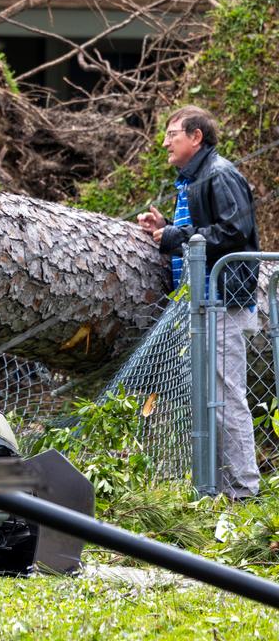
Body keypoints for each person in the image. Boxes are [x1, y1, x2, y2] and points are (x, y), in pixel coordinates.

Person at [136, 105, 260, 498]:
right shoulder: (192, 179)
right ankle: (219, 492)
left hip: (222, 302)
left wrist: (176, 237)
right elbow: (201, 231)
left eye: (173, 134)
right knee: (208, 402)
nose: (165, 142)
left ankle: (244, 492)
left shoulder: (219, 174)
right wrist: (166, 229)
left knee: (225, 399)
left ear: (196, 137)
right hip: (200, 306)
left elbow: (234, 231)